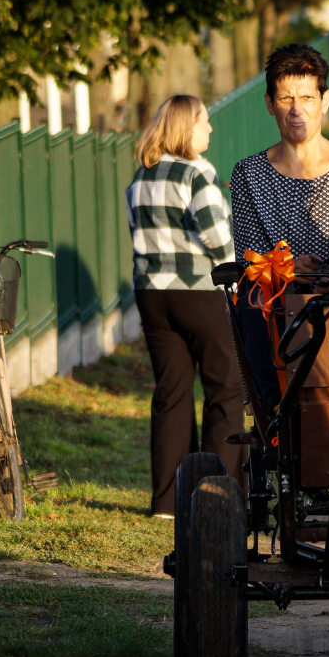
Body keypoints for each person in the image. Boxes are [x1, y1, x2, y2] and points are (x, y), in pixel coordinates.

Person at [229, 44, 329, 407]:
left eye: (307, 97)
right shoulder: (249, 174)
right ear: (269, 104)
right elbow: (248, 258)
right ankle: (276, 413)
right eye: (286, 98)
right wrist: (291, 269)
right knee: (251, 304)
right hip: (277, 296)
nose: (297, 110)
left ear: (324, 100)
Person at [125, 95, 244, 519]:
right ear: (184, 128)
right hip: (198, 292)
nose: (210, 129)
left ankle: (166, 502)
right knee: (226, 388)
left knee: (171, 393)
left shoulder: (141, 176)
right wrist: (235, 275)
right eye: (203, 122)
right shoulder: (197, 173)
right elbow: (217, 237)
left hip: (152, 296)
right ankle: (216, 496)